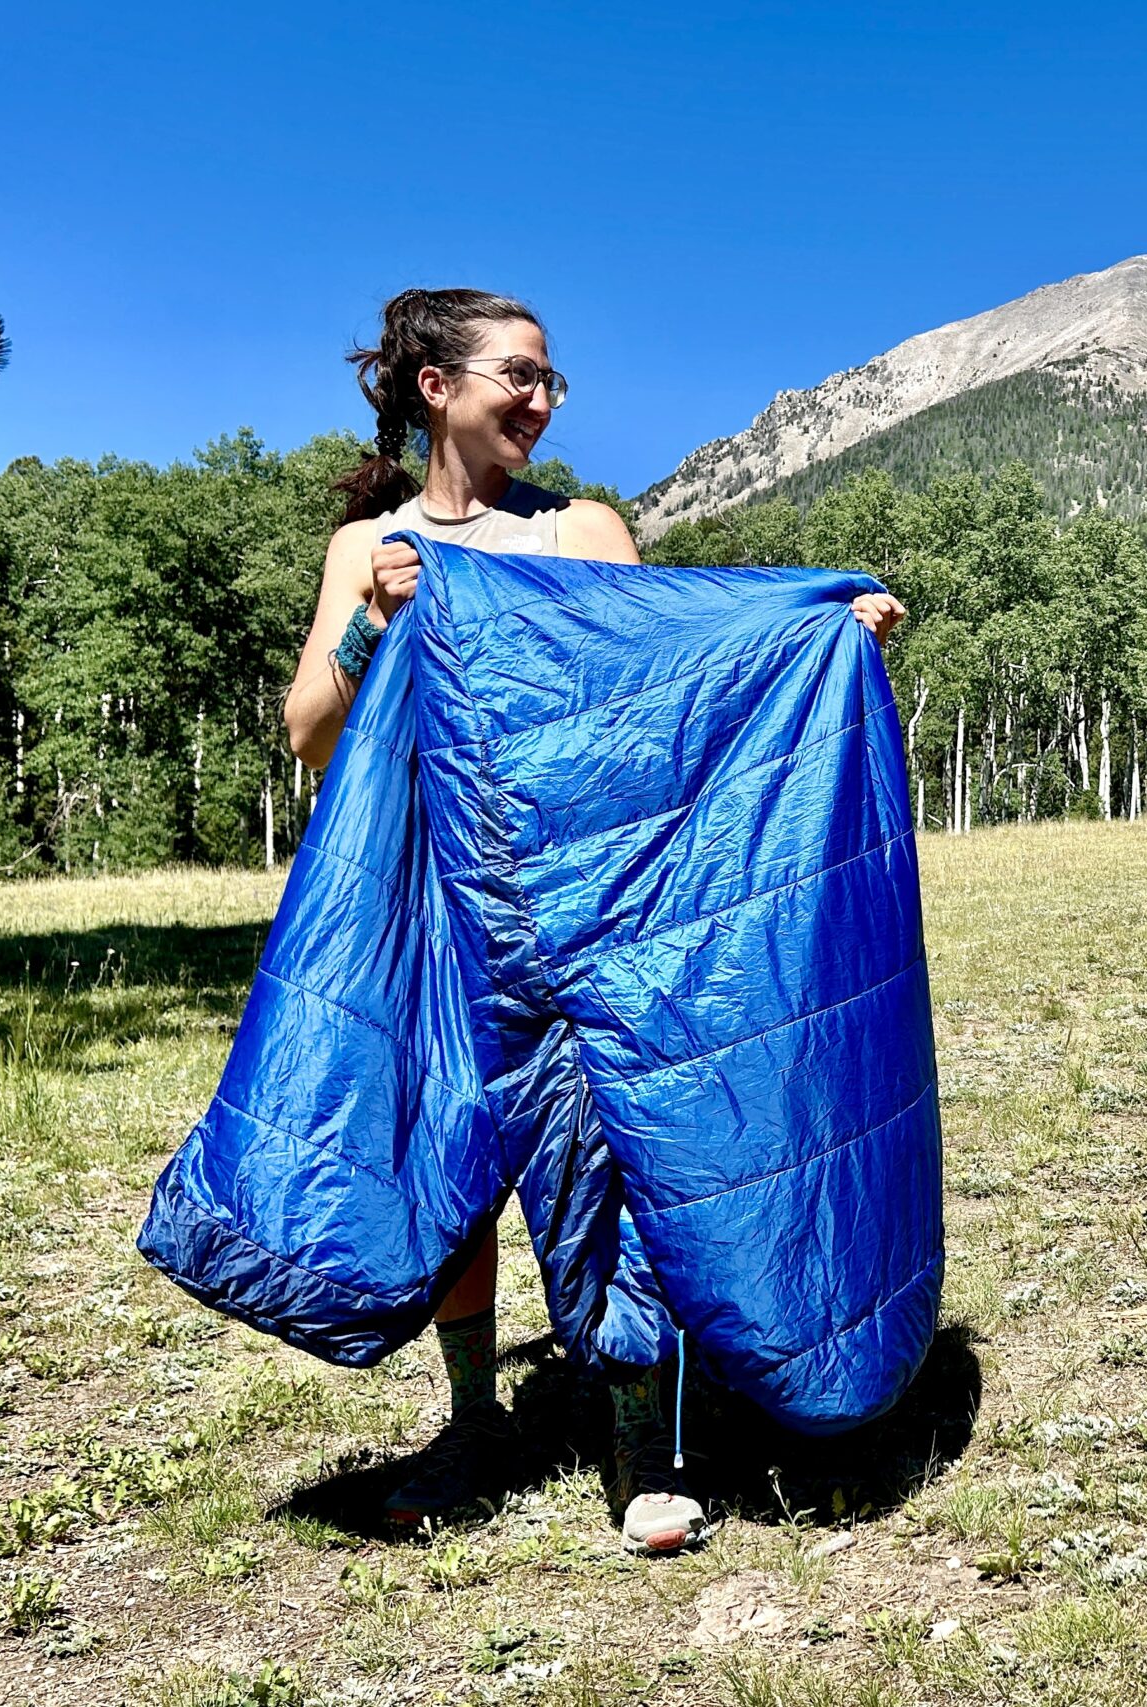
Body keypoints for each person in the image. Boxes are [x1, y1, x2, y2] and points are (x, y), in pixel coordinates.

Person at [282, 287, 904, 1548]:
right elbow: (310, 737)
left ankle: (645, 1450)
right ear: (434, 387)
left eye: (551, 379)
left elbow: (671, 689)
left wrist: (817, 637)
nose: (543, 399)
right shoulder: (372, 548)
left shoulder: (582, 534)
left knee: (617, 1154)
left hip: (585, 898)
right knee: (448, 1159)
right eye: (518, 374)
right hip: (436, 900)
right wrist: (371, 625)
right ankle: (475, 1422)